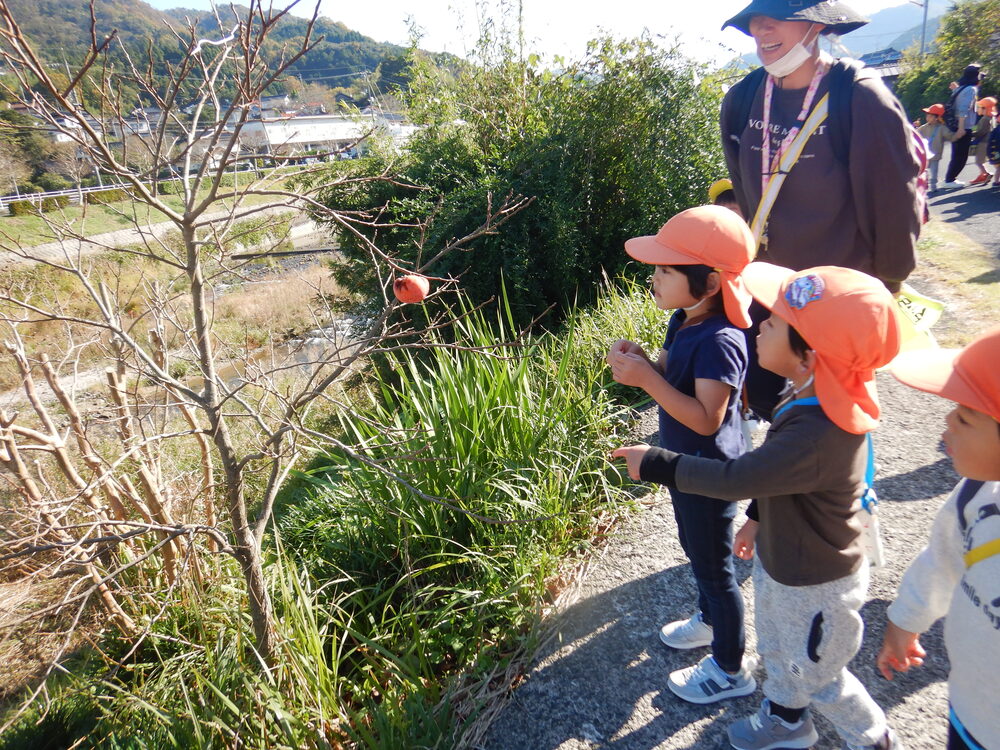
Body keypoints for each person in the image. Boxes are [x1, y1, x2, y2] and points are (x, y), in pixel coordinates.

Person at [613, 263, 904, 750]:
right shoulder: (810, 397)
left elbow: (741, 476)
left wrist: (660, 462)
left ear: (808, 356)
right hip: (788, 563)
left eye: (774, 322)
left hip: (814, 584)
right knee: (781, 651)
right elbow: (780, 479)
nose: (759, 323)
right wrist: (757, 519)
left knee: (818, 674)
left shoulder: (817, 432)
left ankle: (874, 739)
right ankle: (788, 720)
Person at [718, 0, 922, 419]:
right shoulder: (742, 99)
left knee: (829, 421)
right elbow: (742, 193)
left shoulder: (860, 97)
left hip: (835, 304)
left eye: (778, 17)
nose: (760, 27)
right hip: (767, 294)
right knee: (765, 409)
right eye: (756, 18)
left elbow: (894, 201)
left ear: (816, 25)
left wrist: (892, 281)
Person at [606, 205, 755, 704]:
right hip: (682, 465)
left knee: (716, 567)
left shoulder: (722, 340)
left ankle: (731, 669)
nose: (655, 277)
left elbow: (707, 417)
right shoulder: (683, 320)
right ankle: (711, 620)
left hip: (710, 471)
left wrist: (646, 379)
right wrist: (643, 362)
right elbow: (671, 376)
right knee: (695, 550)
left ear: (710, 283)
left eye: (667, 270)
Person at [877, 325, 1000, 750]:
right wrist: (905, 621)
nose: (946, 421)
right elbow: (941, 561)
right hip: (969, 708)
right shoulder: (975, 497)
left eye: (965, 417)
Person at [942, 64, 985, 188]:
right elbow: (963, 109)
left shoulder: (961, 87)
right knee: (961, 155)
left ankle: (949, 179)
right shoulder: (971, 89)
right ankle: (950, 180)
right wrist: (961, 128)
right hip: (963, 126)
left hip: (954, 125)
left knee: (957, 154)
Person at [917, 103, 959, 192]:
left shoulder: (942, 128)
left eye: (930, 116)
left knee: (934, 172)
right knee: (924, 170)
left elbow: (950, 136)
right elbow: (915, 134)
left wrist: (959, 135)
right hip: (925, 155)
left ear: (937, 118)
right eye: (927, 115)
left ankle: (933, 186)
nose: (927, 117)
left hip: (935, 155)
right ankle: (925, 184)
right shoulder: (924, 127)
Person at [968, 97, 996, 186]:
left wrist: (971, 134)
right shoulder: (990, 118)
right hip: (988, 142)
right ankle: (983, 174)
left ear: (985, 108)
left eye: (979, 107)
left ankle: (986, 174)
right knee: (985, 160)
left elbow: (982, 132)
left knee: (979, 161)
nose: (978, 109)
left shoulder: (985, 119)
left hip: (983, 142)